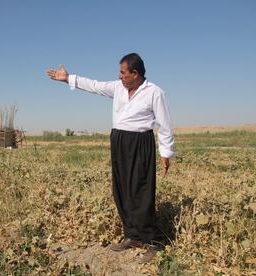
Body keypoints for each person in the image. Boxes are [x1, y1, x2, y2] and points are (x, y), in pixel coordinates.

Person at [46, 53, 174, 263]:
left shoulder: (154, 92)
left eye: (123, 72)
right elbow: (94, 85)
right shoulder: (117, 88)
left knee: (140, 191)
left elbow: (165, 124)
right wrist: (68, 78)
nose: (119, 75)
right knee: (121, 190)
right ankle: (133, 235)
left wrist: (166, 152)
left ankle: (154, 241)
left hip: (140, 143)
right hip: (119, 141)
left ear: (135, 73)